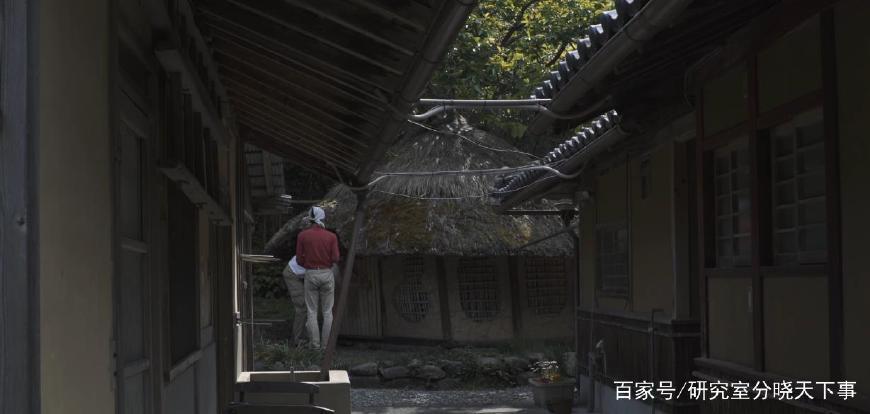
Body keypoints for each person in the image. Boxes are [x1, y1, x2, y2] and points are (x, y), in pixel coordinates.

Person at [296, 206, 340, 350]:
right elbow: (336, 258)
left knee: (312, 311)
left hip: (311, 273)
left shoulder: (302, 236)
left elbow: (298, 260)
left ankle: (314, 345)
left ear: (310, 219)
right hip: (327, 273)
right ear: (322, 218)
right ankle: (326, 346)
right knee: (328, 312)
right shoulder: (331, 236)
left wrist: (308, 264)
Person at [282, 255, 308, 346]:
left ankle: (303, 337)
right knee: (302, 307)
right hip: (292, 274)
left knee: (307, 306)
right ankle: (296, 339)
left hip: (300, 274)